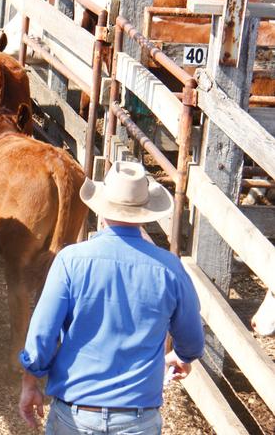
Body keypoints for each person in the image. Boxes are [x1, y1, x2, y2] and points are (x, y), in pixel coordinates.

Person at [18, 161, 205, 434]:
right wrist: (181, 356)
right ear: (145, 214)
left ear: (102, 211)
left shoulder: (71, 261)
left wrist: (30, 382)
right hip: (138, 419)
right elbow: (192, 341)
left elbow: (42, 334)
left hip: (76, 413)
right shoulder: (169, 268)